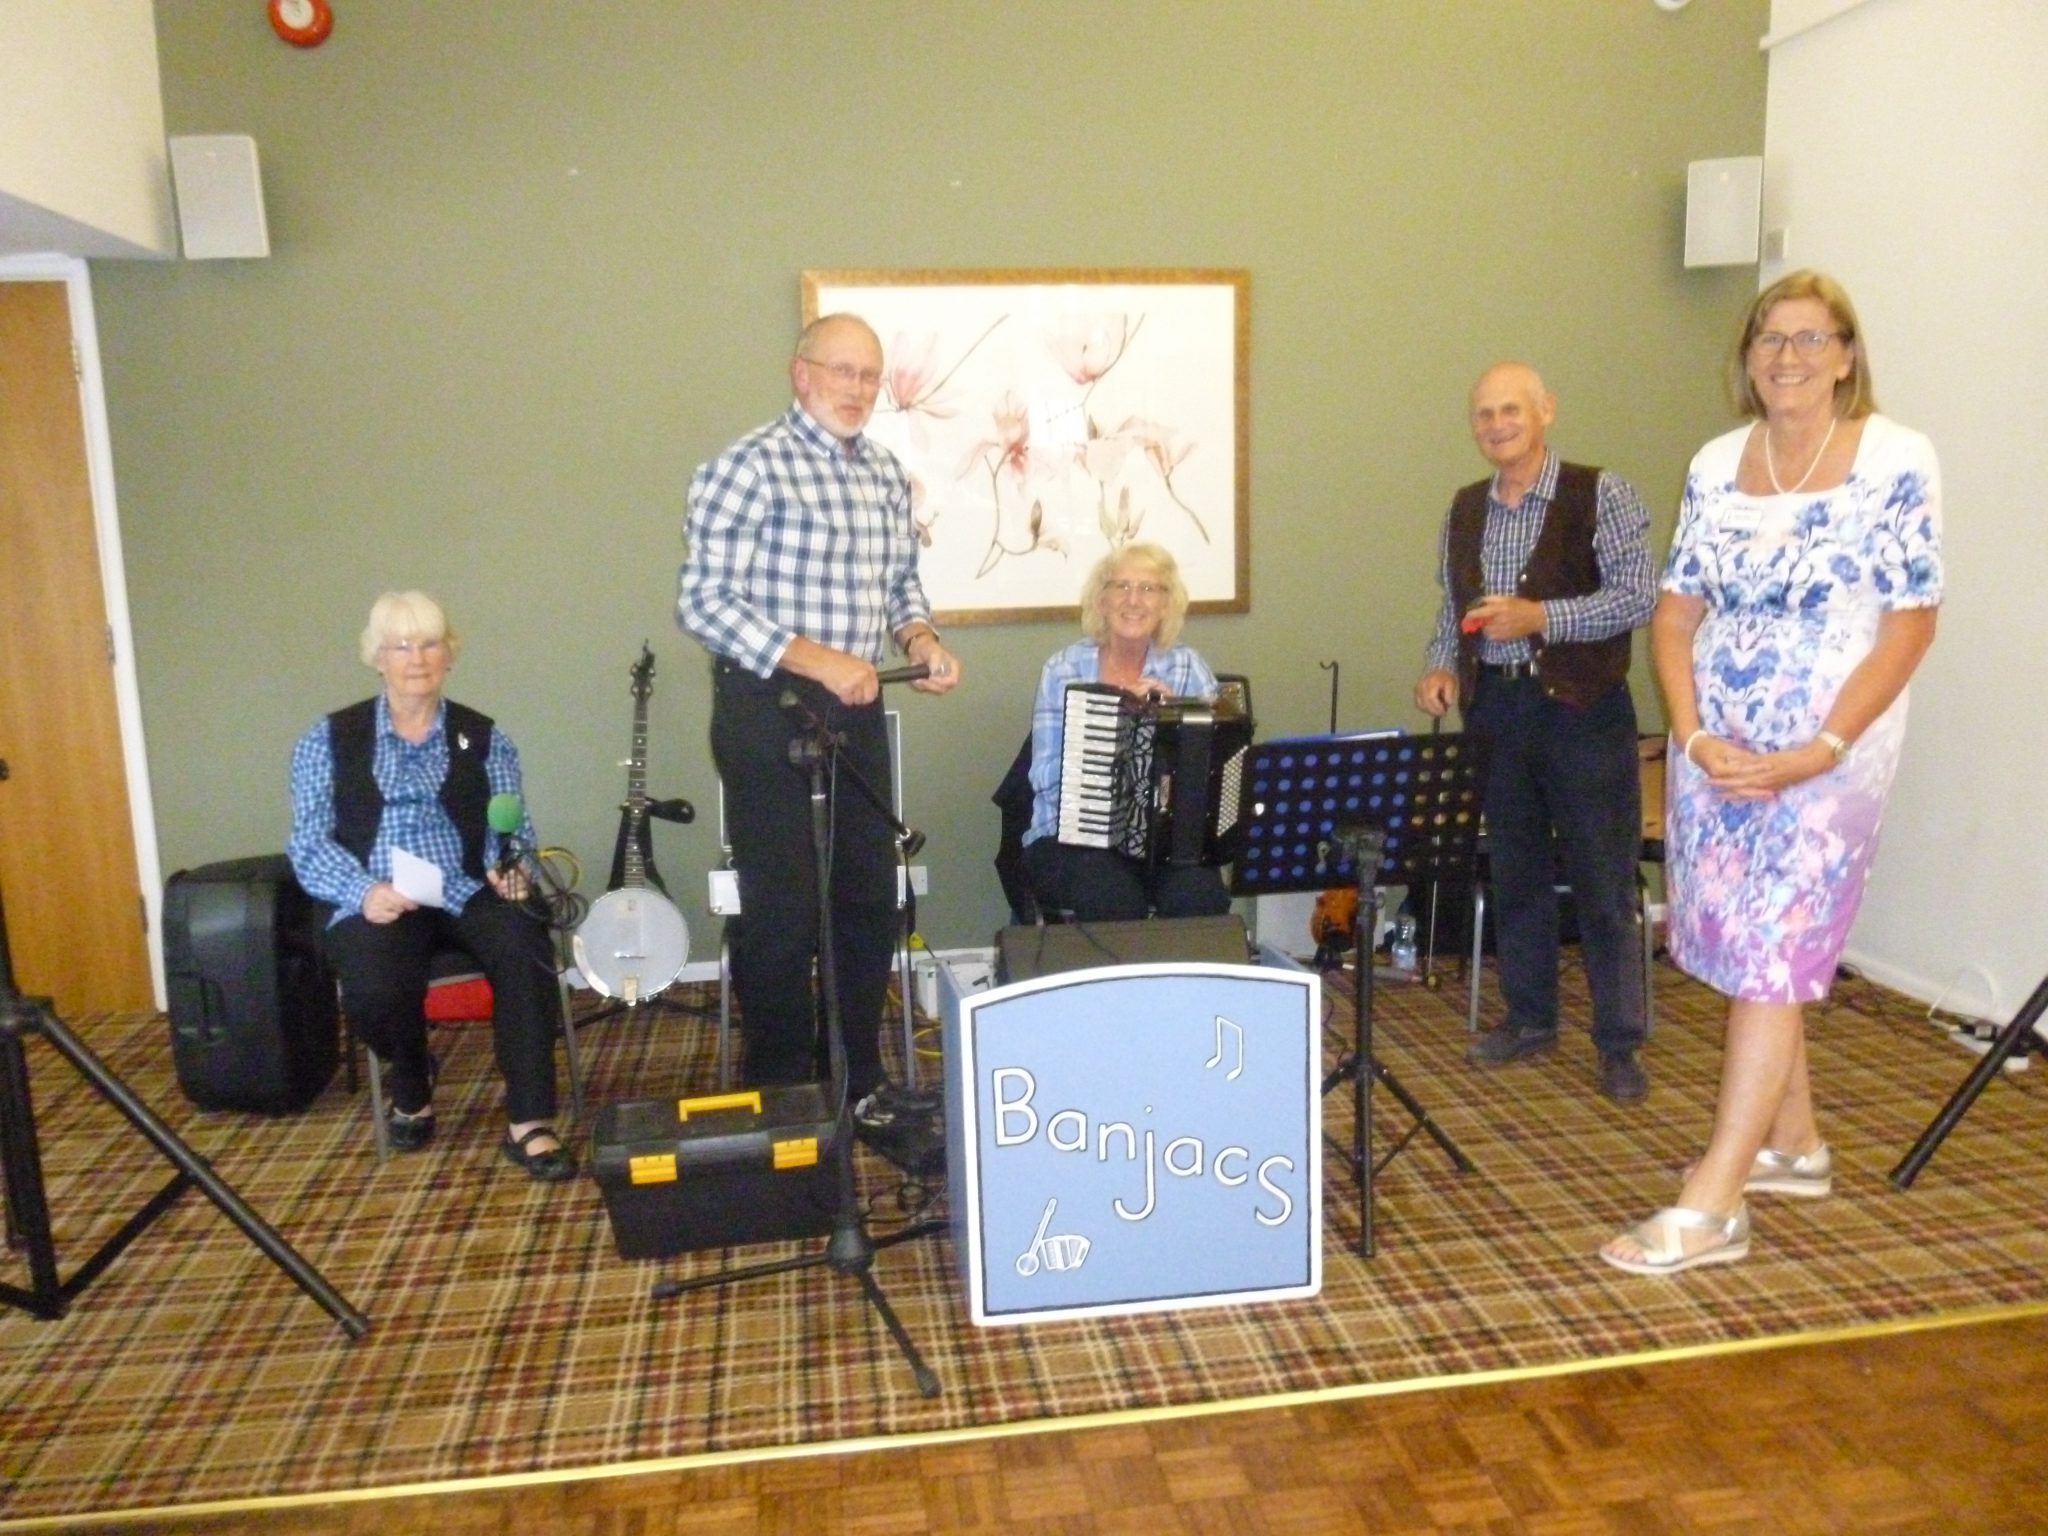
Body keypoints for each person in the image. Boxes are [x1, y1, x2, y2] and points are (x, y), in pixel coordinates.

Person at [1602, 271, 1941, 1275]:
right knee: (1744, 946)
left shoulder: (1894, 457)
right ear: (1747, 358)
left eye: (1809, 338)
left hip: (1828, 755)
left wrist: (1820, 749)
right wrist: (1692, 734)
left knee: (1772, 949)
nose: (1786, 357)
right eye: (1769, 339)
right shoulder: (1716, 462)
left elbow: (1910, 624)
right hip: (1718, 746)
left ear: (1846, 355)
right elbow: (1675, 616)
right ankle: (1792, 1145)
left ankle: (1714, 1206)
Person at [677, 313, 962, 1128]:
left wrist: (920, 638)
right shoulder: (747, 467)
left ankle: (857, 1078)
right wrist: (815, 658)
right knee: (783, 913)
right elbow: (702, 603)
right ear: (801, 373)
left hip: (856, 710)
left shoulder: (884, 473)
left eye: (869, 375)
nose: (858, 389)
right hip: (768, 710)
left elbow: (901, 582)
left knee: (868, 901)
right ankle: (781, 1094)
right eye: (842, 371)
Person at [1415, 363, 1656, 1103]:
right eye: (1484, 414)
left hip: (1584, 711)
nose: (1497, 425)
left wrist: (1541, 617)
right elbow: (1451, 607)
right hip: (1495, 709)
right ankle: (1530, 1019)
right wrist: (1441, 664)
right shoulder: (1464, 507)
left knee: (1603, 882)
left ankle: (1619, 1043)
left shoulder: (1603, 493)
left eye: (1510, 410)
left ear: (1545, 410)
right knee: (1515, 873)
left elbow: (1639, 597)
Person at [287, 591, 573, 1181]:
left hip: (468, 887)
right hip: (379, 895)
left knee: (526, 949)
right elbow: (309, 842)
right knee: (373, 984)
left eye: (429, 644)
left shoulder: (484, 736)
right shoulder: (329, 739)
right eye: (401, 646)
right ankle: (412, 1078)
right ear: (377, 657)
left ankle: (530, 1121)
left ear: (449, 653)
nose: (416, 659)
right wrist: (363, 891)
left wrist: (509, 865)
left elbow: (511, 826)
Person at [1021, 543, 1234, 922]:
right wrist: (1114, 724)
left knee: (1199, 896)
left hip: (1165, 841)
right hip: (1071, 837)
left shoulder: (1187, 667)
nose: (1133, 600)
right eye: (1121, 586)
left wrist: (1174, 720)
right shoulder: (1064, 669)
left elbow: (1213, 780)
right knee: (1113, 900)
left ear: (1166, 605)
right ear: (1101, 600)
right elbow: (1044, 779)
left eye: (1149, 588)